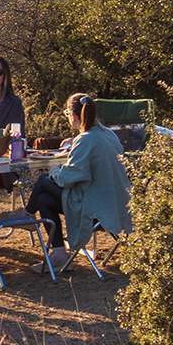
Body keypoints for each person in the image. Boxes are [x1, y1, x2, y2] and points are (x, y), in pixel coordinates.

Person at [17, 93, 132, 271]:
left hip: (96, 210)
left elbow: (66, 179)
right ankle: (59, 255)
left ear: (72, 116)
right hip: (117, 205)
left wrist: (54, 168)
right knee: (43, 200)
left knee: (43, 180)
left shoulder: (85, 141)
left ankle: (27, 215)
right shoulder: (108, 134)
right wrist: (74, 144)